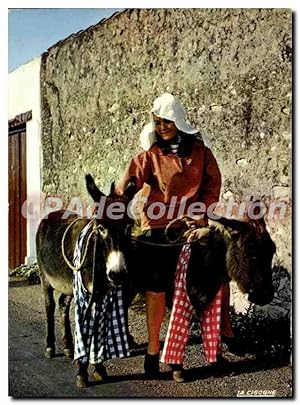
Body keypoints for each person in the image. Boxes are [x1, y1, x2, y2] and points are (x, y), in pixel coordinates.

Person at [115, 93, 234, 382]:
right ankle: (154, 350)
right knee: (157, 287)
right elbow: (129, 181)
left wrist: (200, 212)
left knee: (214, 278)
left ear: (178, 120)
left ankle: (217, 344)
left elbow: (211, 186)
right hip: (158, 227)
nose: (163, 126)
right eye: (158, 122)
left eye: (167, 120)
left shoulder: (200, 152)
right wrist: (117, 198)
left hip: (190, 226)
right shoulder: (152, 154)